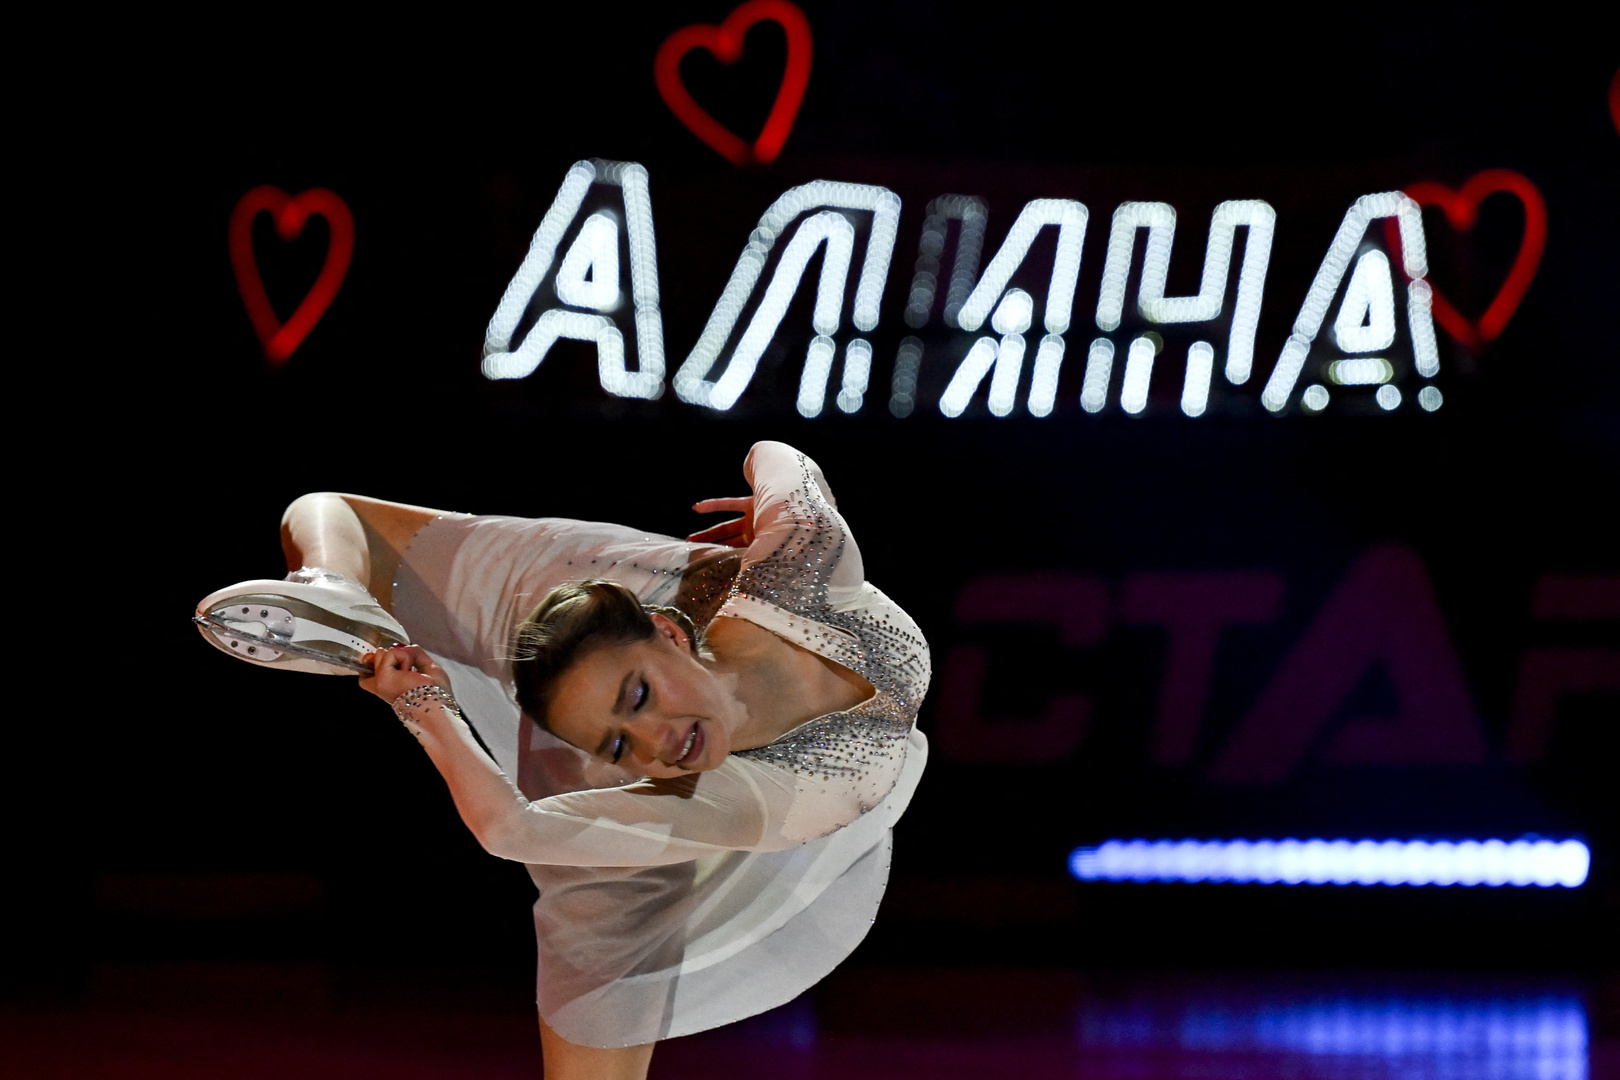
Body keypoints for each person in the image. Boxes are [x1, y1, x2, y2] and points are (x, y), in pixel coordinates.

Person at [193, 442, 930, 1080]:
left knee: (609, 934)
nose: (656, 745)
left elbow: (783, 460)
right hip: (591, 606)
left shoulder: (799, 568)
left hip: (639, 599)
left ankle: (341, 590)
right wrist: (425, 702)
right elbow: (787, 461)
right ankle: (333, 591)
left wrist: (422, 704)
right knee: (336, 515)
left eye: (641, 700)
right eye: (621, 744)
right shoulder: (795, 576)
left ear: (672, 641)